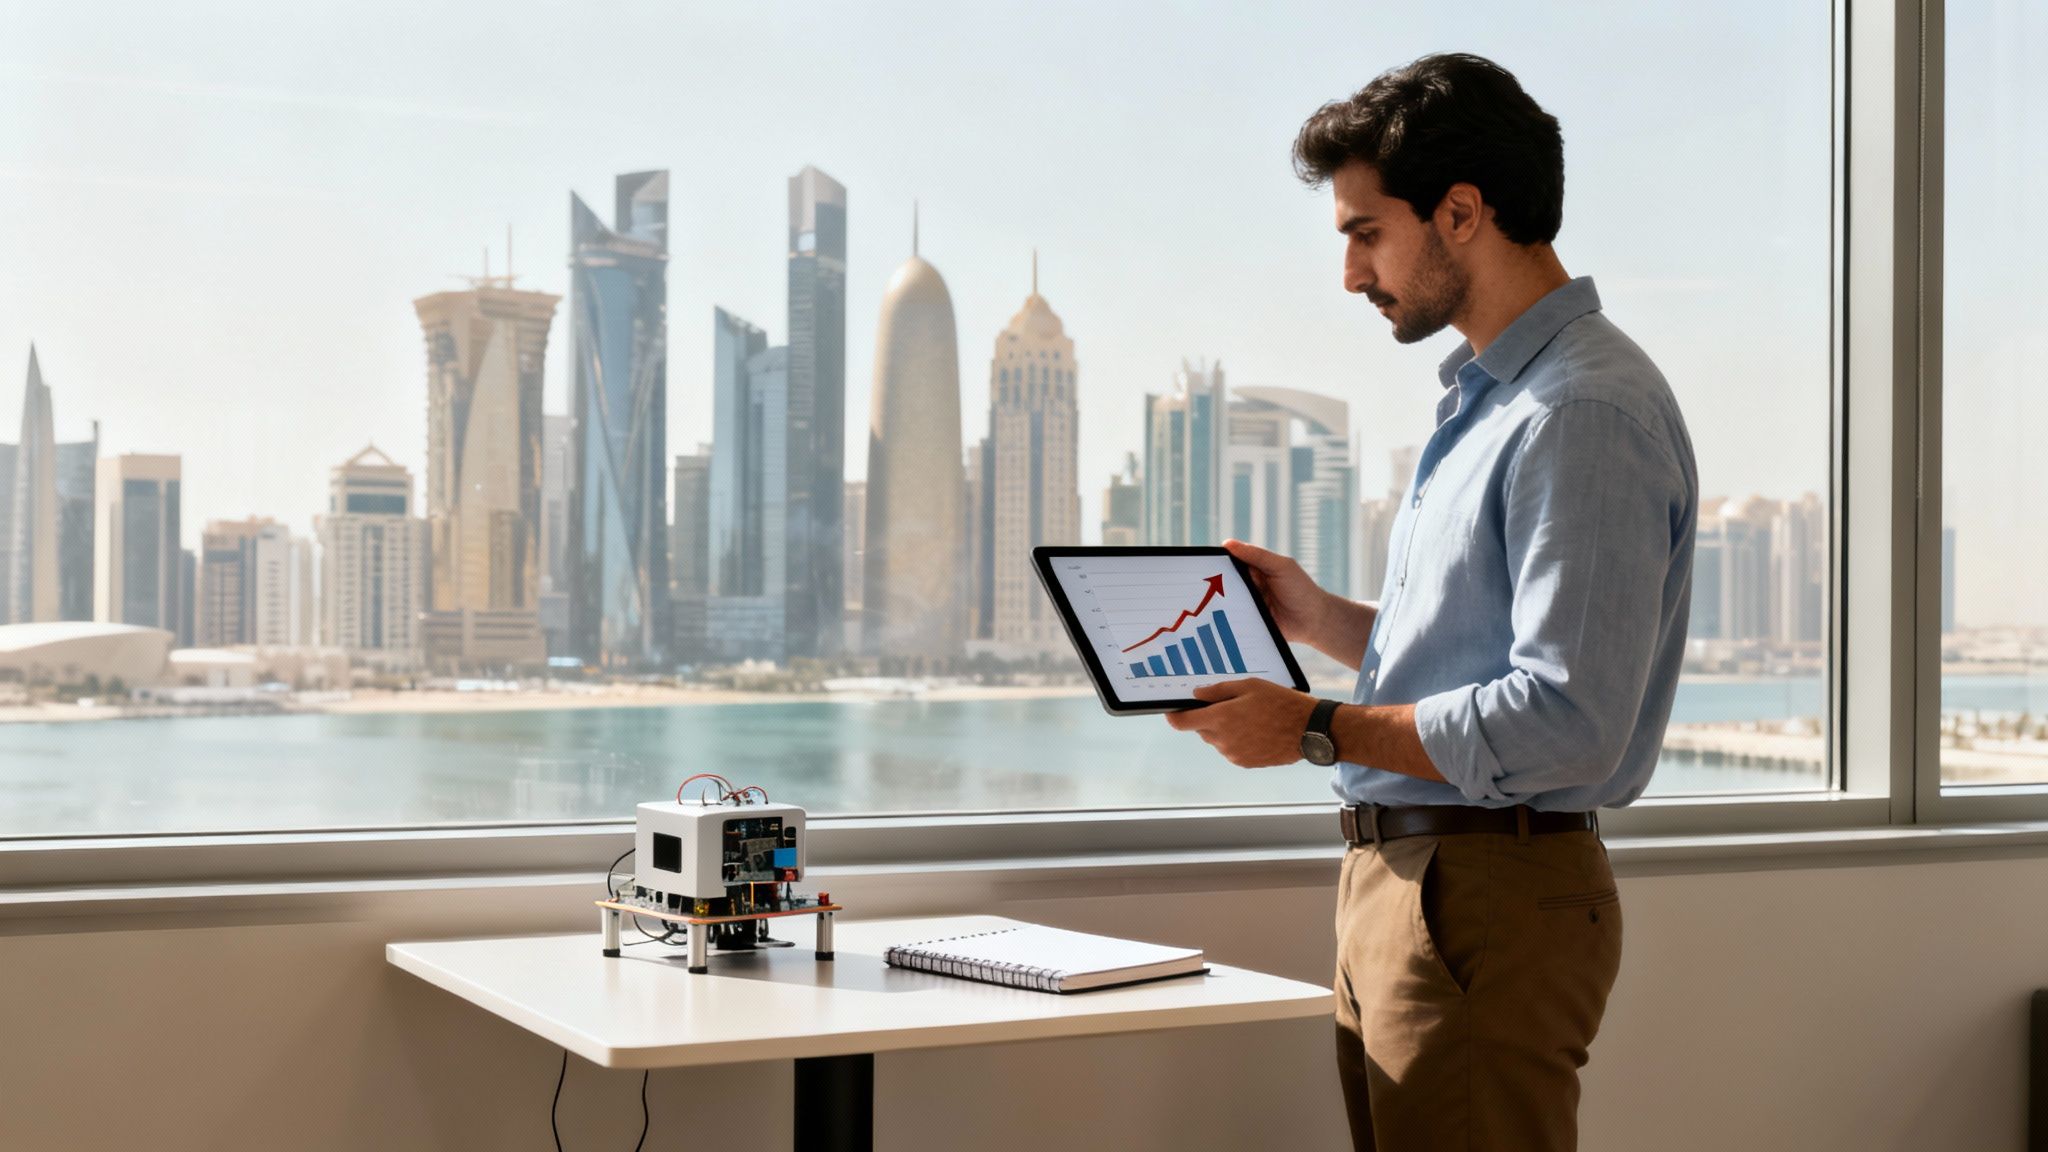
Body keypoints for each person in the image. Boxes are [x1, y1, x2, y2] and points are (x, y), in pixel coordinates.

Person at [1164, 53, 1698, 1151]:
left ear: (1460, 213)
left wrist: (1310, 726)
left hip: (1483, 888)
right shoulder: (1493, 403)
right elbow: (1475, 657)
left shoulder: (1577, 413)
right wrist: (1318, 621)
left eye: (1366, 232)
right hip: (1413, 880)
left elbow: (1563, 716)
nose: (1352, 275)